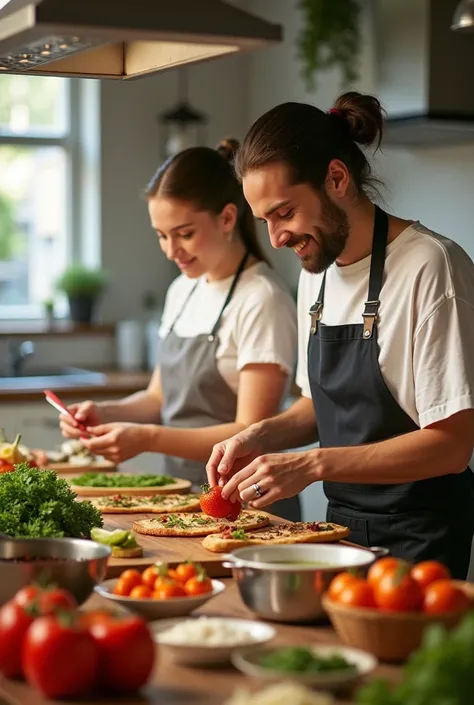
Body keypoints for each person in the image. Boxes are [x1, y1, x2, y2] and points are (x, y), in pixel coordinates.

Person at [206, 93, 474, 578]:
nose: (276, 238)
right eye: (264, 220)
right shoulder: (318, 268)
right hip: (336, 532)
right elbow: (321, 406)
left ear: (336, 179)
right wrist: (258, 435)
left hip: (418, 541)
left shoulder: (430, 266)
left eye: (285, 212)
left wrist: (309, 466)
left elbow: (452, 445)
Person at [60, 138, 301, 520]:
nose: (171, 250)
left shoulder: (262, 298)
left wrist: (147, 438)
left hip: (247, 505)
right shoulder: (182, 289)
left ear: (226, 218)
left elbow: (250, 432)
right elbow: (158, 398)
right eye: (161, 235)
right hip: (184, 496)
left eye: (184, 233)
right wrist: (104, 413)